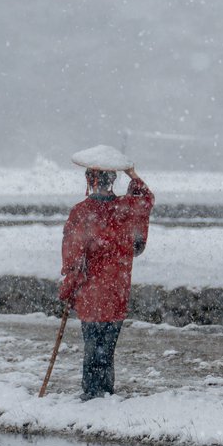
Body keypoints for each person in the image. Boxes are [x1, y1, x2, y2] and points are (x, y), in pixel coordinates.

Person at [59, 144, 154, 400]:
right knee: (107, 345)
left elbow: (72, 255)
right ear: (113, 179)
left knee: (92, 343)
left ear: (90, 180)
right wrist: (133, 174)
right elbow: (147, 200)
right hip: (118, 287)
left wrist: (71, 280)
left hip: (91, 290)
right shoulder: (126, 208)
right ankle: (105, 389)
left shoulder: (81, 212)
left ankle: (92, 390)